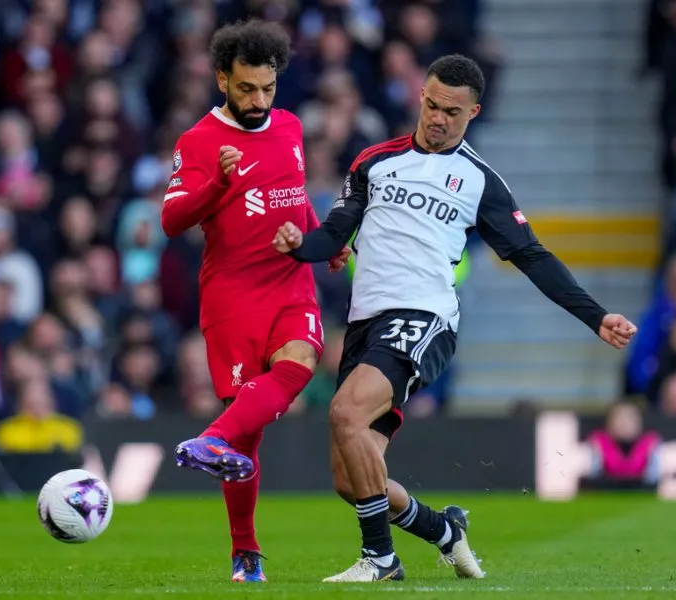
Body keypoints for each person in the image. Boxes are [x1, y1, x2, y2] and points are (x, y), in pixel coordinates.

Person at [273, 54, 639, 583]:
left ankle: (380, 560)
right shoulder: (374, 162)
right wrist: (297, 245)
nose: (438, 117)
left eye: (452, 111)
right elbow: (335, 234)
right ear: (420, 95)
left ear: (473, 113)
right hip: (366, 323)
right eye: (431, 104)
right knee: (352, 479)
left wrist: (595, 316)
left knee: (345, 413)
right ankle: (444, 531)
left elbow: (530, 255)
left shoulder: (479, 181)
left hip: (425, 318)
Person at [160, 19, 348, 583]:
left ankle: (208, 439)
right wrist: (218, 185)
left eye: (267, 88)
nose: (258, 100)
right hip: (232, 297)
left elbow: (292, 193)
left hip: (289, 282)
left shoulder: (289, 126)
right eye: (246, 88)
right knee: (248, 438)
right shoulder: (197, 141)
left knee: (301, 364)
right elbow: (171, 220)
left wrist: (323, 240)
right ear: (222, 78)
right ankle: (245, 551)